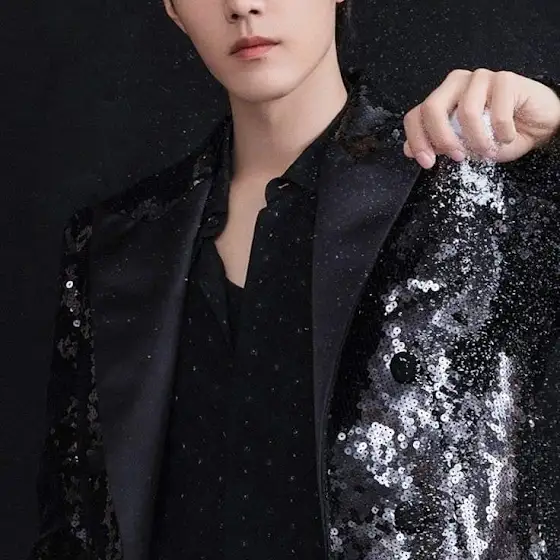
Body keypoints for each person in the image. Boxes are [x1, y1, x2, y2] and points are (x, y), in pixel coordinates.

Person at [28, 0, 560, 559]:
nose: (242, 6)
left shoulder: (467, 199)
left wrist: (556, 130)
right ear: (174, 10)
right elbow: (73, 523)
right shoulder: (113, 242)